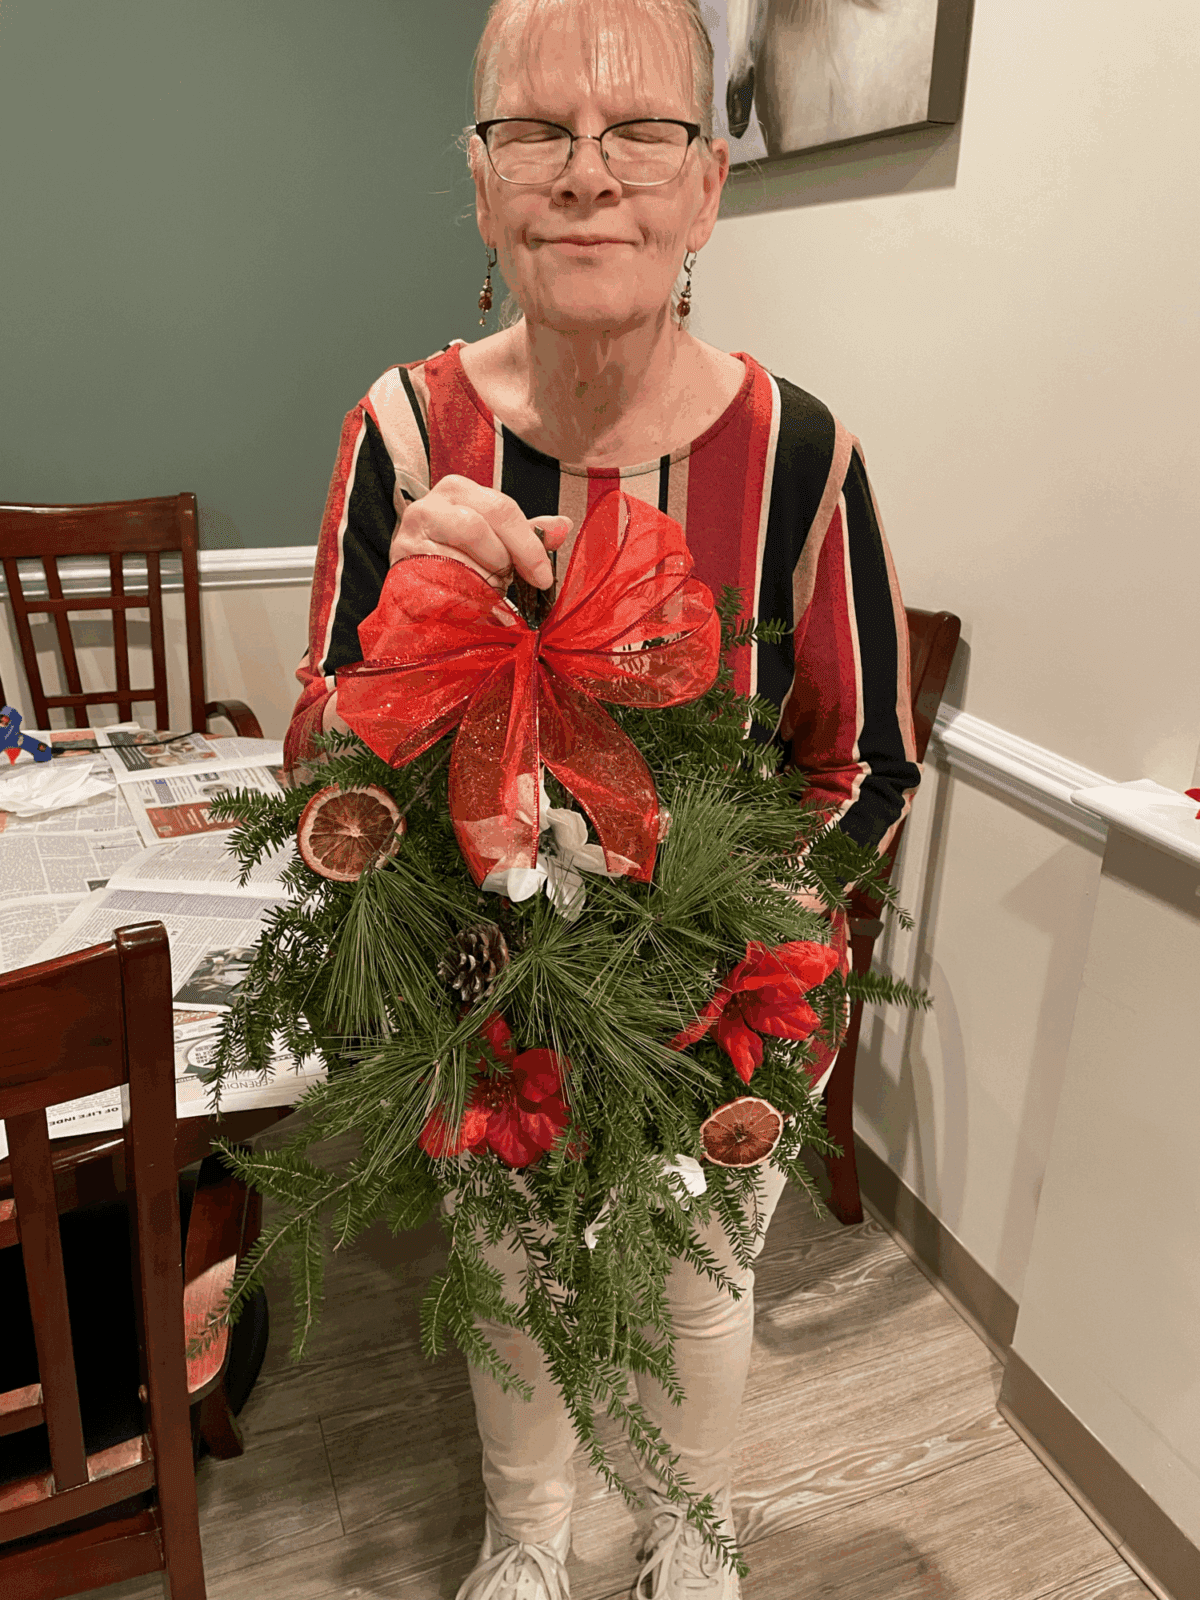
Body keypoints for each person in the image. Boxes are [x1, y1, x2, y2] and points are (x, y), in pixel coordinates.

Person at [283, 2, 920, 1595]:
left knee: (703, 1293)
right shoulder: (404, 434)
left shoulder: (803, 456)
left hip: (730, 1011)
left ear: (708, 185)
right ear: (484, 183)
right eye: (537, 131)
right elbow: (317, 761)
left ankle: (691, 1541)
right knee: (502, 1289)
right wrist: (396, 641)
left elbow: (872, 757)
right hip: (482, 1005)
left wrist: (750, 925)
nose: (590, 174)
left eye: (640, 131)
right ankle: (528, 1538)